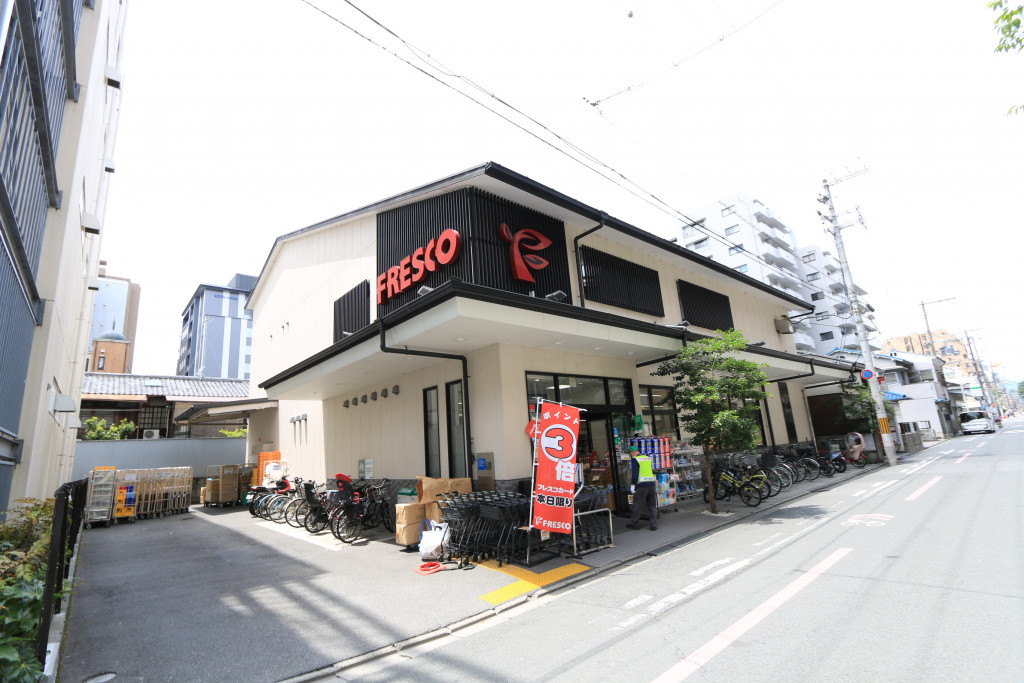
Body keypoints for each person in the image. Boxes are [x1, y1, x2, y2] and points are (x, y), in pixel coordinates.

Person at [626, 444, 658, 531]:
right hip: (651, 484)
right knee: (652, 505)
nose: (630, 455)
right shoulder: (648, 458)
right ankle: (653, 525)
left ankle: (635, 524)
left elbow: (635, 474)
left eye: (630, 453)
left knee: (637, 505)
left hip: (642, 485)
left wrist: (633, 484)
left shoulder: (635, 459)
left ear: (633, 452)